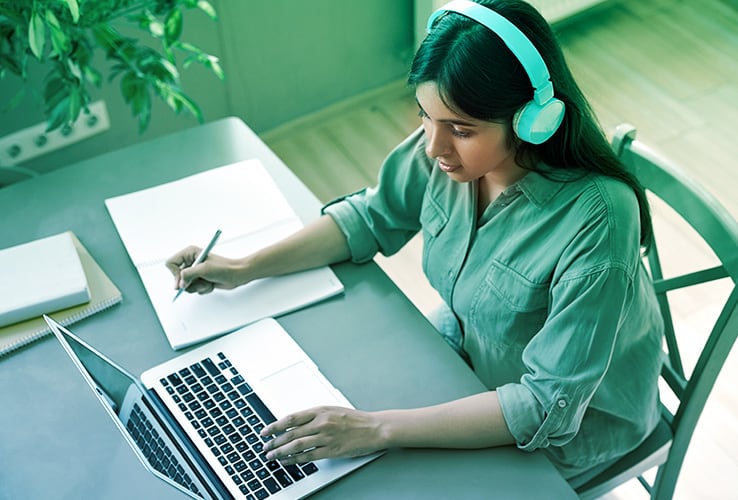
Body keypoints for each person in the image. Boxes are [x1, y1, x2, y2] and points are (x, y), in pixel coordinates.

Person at [165, 0, 664, 485]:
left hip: (568, 431)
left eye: (461, 130)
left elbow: (543, 407)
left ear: (534, 121)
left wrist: (378, 428)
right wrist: (245, 266)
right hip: (469, 356)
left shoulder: (598, 219)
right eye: (425, 116)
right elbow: (372, 217)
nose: (433, 146)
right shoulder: (451, 153)